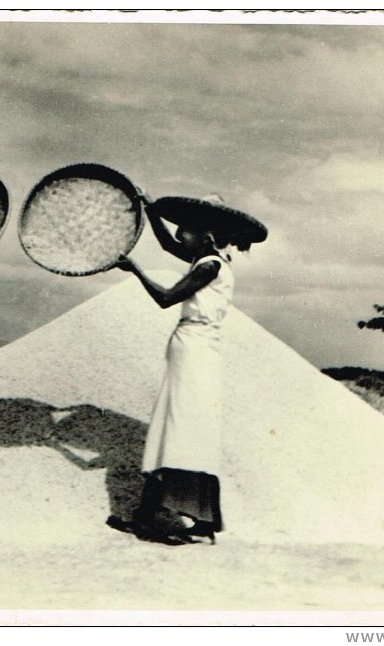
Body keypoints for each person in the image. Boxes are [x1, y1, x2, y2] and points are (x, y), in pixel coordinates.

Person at [108, 193, 266, 545]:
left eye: (186, 231)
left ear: (205, 235)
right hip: (199, 349)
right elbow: (165, 243)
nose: (180, 235)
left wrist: (134, 269)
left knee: (177, 426)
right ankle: (203, 519)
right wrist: (149, 209)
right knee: (190, 426)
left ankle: (154, 516)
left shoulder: (208, 266)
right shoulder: (210, 260)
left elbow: (166, 298)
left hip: (194, 347)